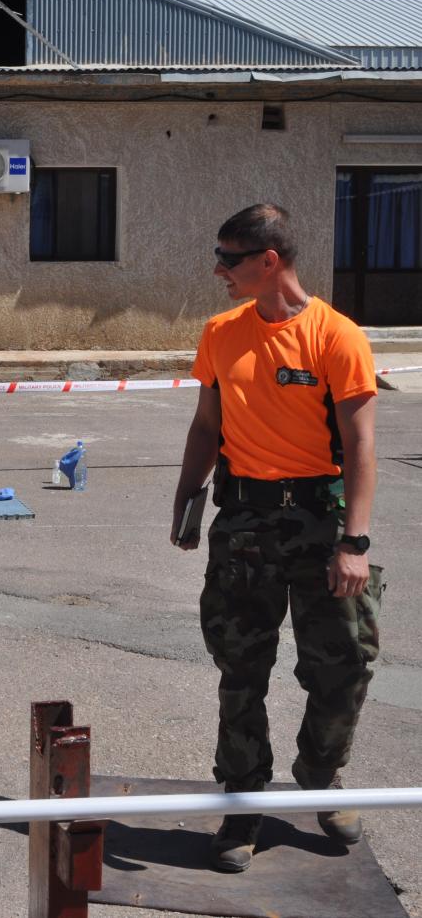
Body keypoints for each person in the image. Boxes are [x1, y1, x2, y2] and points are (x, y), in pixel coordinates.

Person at [169, 203, 382, 873]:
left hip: (322, 521)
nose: (218, 270)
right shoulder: (221, 333)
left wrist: (354, 543)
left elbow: (360, 444)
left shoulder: (336, 336)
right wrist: (187, 497)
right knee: (241, 669)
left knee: (343, 664)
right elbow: (207, 426)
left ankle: (320, 775)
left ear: (269, 261)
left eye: (228, 259)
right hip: (245, 525)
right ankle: (243, 801)